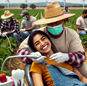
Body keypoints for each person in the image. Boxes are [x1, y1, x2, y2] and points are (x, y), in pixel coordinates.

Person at [17, 2, 86, 77]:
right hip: (50, 68)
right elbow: (20, 52)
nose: (53, 26)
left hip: (70, 66)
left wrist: (67, 57)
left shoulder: (71, 34)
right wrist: (31, 56)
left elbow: (81, 56)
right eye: (50, 23)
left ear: (64, 21)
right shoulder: (40, 34)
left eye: (56, 22)